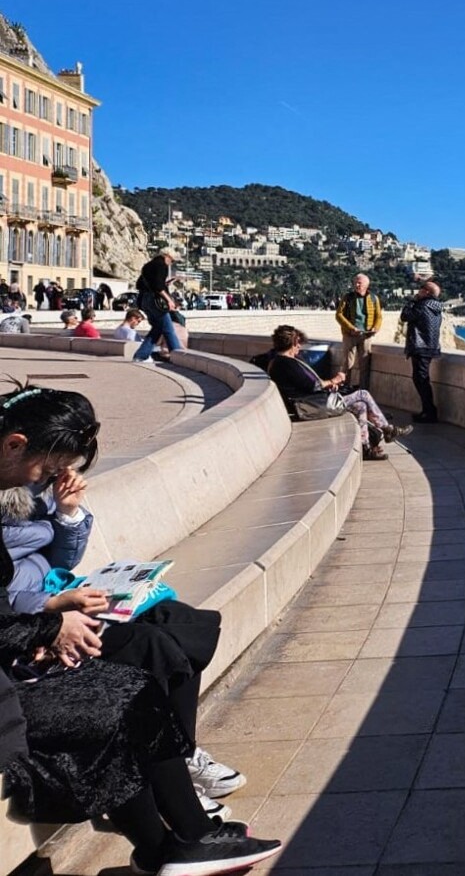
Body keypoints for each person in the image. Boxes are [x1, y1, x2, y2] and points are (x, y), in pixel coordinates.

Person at [0, 384, 282, 875]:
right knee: (128, 687)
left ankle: (178, 841)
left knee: (153, 656)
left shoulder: (25, 490)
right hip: (16, 665)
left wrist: (44, 623)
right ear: (14, 444)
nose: (46, 481)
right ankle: (180, 841)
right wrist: (47, 625)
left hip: (26, 636)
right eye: (46, 470)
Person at [1, 477, 243, 821]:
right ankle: (164, 771)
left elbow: (60, 561)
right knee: (149, 646)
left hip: (60, 604)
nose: (59, 470)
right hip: (33, 628)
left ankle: (181, 754)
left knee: (181, 620)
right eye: (55, 458)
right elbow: (4, 605)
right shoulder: (12, 483)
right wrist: (51, 606)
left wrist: (68, 514)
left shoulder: (32, 484)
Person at [265, 325, 409, 461]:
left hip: (310, 403)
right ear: (291, 343)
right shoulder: (286, 363)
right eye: (297, 343)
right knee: (362, 394)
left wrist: (329, 386)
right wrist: (335, 380)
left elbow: (308, 384)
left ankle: (365, 447)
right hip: (309, 405)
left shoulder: (279, 362)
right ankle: (387, 429)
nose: (299, 346)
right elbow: (313, 385)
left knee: (360, 406)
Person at [400, 277, 444, 423]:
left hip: (420, 346)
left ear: (426, 292)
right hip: (431, 347)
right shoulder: (436, 306)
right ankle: (428, 411)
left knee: (421, 380)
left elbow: (405, 316)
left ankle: (429, 412)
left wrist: (411, 302)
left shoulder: (422, 305)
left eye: (421, 289)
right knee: (422, 379)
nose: (418, 291)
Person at [133, 250, 184, 365]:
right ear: (167, 256)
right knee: (168, 329)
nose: (171, 263)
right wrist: (169, 300)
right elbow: (158, 286)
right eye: (172, 260)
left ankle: (140, 355)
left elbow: (141, 284)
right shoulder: (162, 265)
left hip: (144, 300)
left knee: (157, 329)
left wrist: (165, 284)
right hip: (155, 302)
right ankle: (178, 356)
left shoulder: (148, 265)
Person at [334, 274, 381, 389]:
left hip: (366, 335)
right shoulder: (348, 297)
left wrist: (375, 328)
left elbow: (378, 316)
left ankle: (363, 390)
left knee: (364, 365)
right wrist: (350, 328)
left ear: (366, 284)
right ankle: (344, 388)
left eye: (359, 283)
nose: (356, 285)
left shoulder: (374, 299)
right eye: (355, 282)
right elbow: (339, 315)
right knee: (347, 363)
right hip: (350, 335)